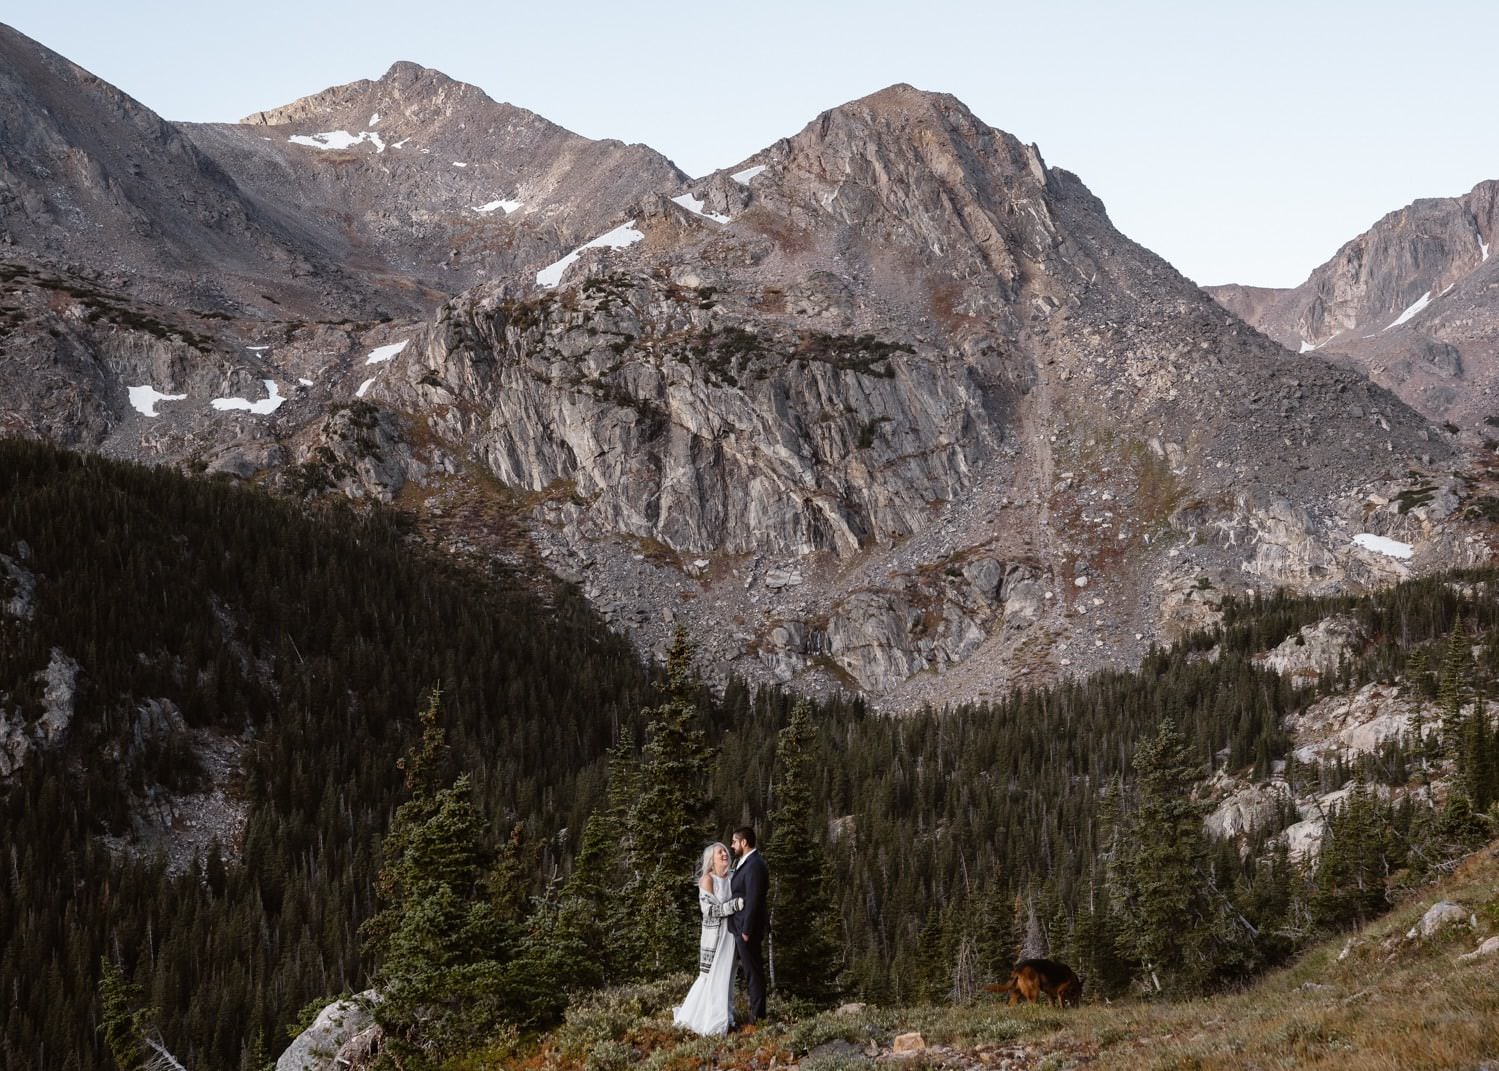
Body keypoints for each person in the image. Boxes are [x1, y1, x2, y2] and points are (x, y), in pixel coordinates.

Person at [672, 842, 743, 1035]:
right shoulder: (707, 880)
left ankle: (726, 1016)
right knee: (711, 977)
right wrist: (734, 906)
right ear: (711, 860)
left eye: (725, 852)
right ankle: (710, 1021)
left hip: (731, 935)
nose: (724, 854)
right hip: (714, 937)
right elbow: (708, 911)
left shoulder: (733, 877)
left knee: (728, 977)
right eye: (720, 852)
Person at [727, 826, 769, 1025]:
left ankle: (757, 1018)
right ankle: (754, 1015)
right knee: (749, 972)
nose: (732, 845)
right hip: (739, 926)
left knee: (753, 973)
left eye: (734, 841)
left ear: (744, 842)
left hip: (746, 929)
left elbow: (753, 900)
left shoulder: (755, 865)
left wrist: (746, 930)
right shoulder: (746, 862)